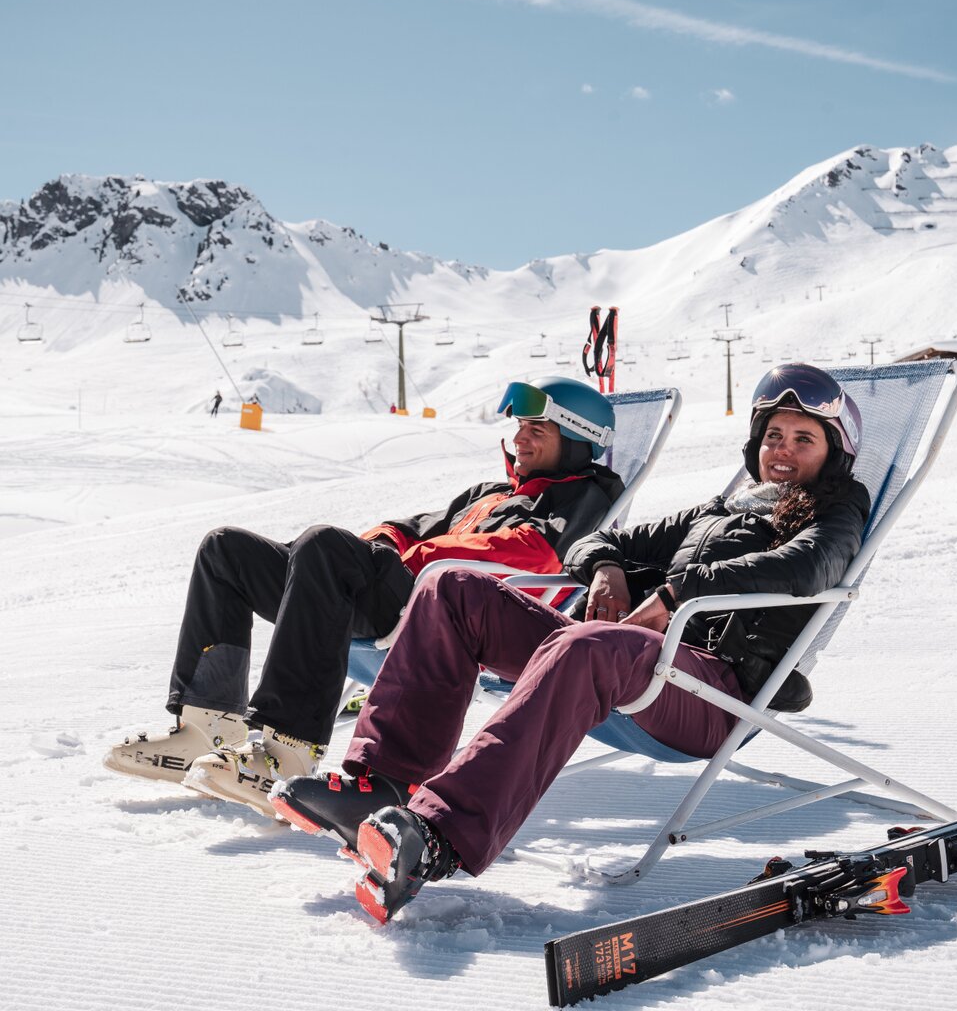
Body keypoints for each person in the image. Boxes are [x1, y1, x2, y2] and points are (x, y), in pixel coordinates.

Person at [271, 363, 871, 924]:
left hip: (714, 691)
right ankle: (382, 785)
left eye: (803, 439)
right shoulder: (722, 510)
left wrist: (672, 594)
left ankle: (436, 838)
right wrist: (607, 569)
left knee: (587, 644)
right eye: (774, 436)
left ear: (833, 452)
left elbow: (805, 569)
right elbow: (598, 541)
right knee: (454, 590)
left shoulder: (838, 509)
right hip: (641, 664)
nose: (783, 451)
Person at [104, 377, 623, 819]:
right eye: (519, 428)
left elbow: (532, 555)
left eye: (538, 430)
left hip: (439, 606)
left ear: (578, 441)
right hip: (403, 586)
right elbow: (410, 526)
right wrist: (383, 543)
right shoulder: (491, 492)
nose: (521, 439)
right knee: (227, 551)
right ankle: (209, 729)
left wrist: (414, 556)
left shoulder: (582, 493)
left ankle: (285, 754)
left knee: (325, 546)